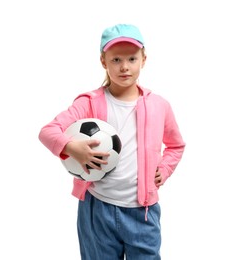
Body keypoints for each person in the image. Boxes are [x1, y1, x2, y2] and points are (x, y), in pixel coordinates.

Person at [38, 23, 186, 260]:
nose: (124, 67)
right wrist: (72, 148)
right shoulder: (88, 103)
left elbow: (176, 145)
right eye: (116, 60)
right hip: (97, 210)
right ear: (103, 61)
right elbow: (48, 131)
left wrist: (165, 168)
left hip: (143, 213)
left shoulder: (159, 105)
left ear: (143, 59)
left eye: (132, 58)